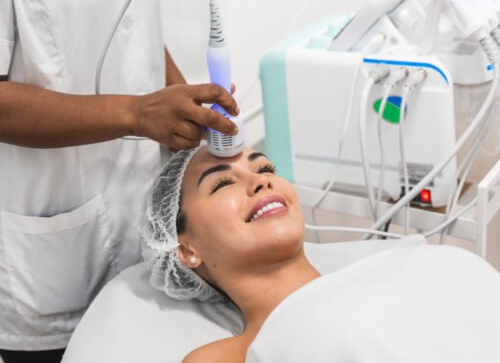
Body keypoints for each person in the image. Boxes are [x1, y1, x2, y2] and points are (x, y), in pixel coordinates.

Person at [0, 0, 238, 361]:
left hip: (151, 236)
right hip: (53, 256)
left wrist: (183, 107)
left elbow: (133, 23)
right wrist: (136, 113)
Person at [143, 145, 500, 363]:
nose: (261, 181)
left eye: (265, 168)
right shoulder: (220, 359)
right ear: (185, 249)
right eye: (222, 183)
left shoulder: (410, 263)